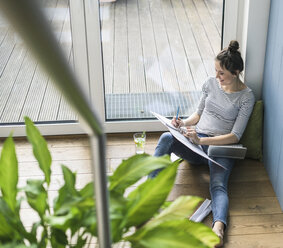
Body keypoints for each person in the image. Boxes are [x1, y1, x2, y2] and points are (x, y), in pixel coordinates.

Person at [149, 40, 255, 247]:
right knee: (166, 137)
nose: (217, 77)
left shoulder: (246, 97)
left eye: (221, 73)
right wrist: (182, 123)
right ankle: (146, 193)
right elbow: (197, 114)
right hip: (197, 143)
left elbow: (235, 136)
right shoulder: (210, 83)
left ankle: (218, 228)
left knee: (217, 185)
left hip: (221, 148)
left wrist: (202, 140)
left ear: (236, 72)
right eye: (215, 71)